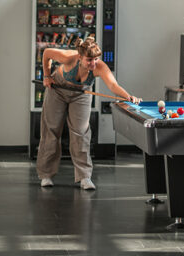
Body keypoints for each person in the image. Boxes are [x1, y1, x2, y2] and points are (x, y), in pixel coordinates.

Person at [38, 34, 139, 190]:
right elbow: (46, 54)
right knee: (51, 129)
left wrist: (128, 96)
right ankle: (46, 175)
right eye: (89, 60)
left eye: (96, 59)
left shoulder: (99, 67)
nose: (93, 63)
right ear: (80, 57)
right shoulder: (68, 57)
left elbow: (113, 85)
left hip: (81, 94)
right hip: (57, 89)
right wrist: (46, 76)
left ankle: (85, 177)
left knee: (81, 132)